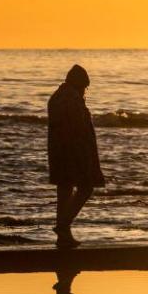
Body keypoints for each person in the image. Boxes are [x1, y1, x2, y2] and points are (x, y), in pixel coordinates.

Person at [48, 65, 105, 248]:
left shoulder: (58, 97)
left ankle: (63, 234)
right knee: (85, 188)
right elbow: (78, 130)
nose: (85, 90)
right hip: (73, 153)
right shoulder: (72, 99)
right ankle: (63, 226)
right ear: (79, 84)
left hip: (58, 153)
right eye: (84, 86)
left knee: (64, 193)